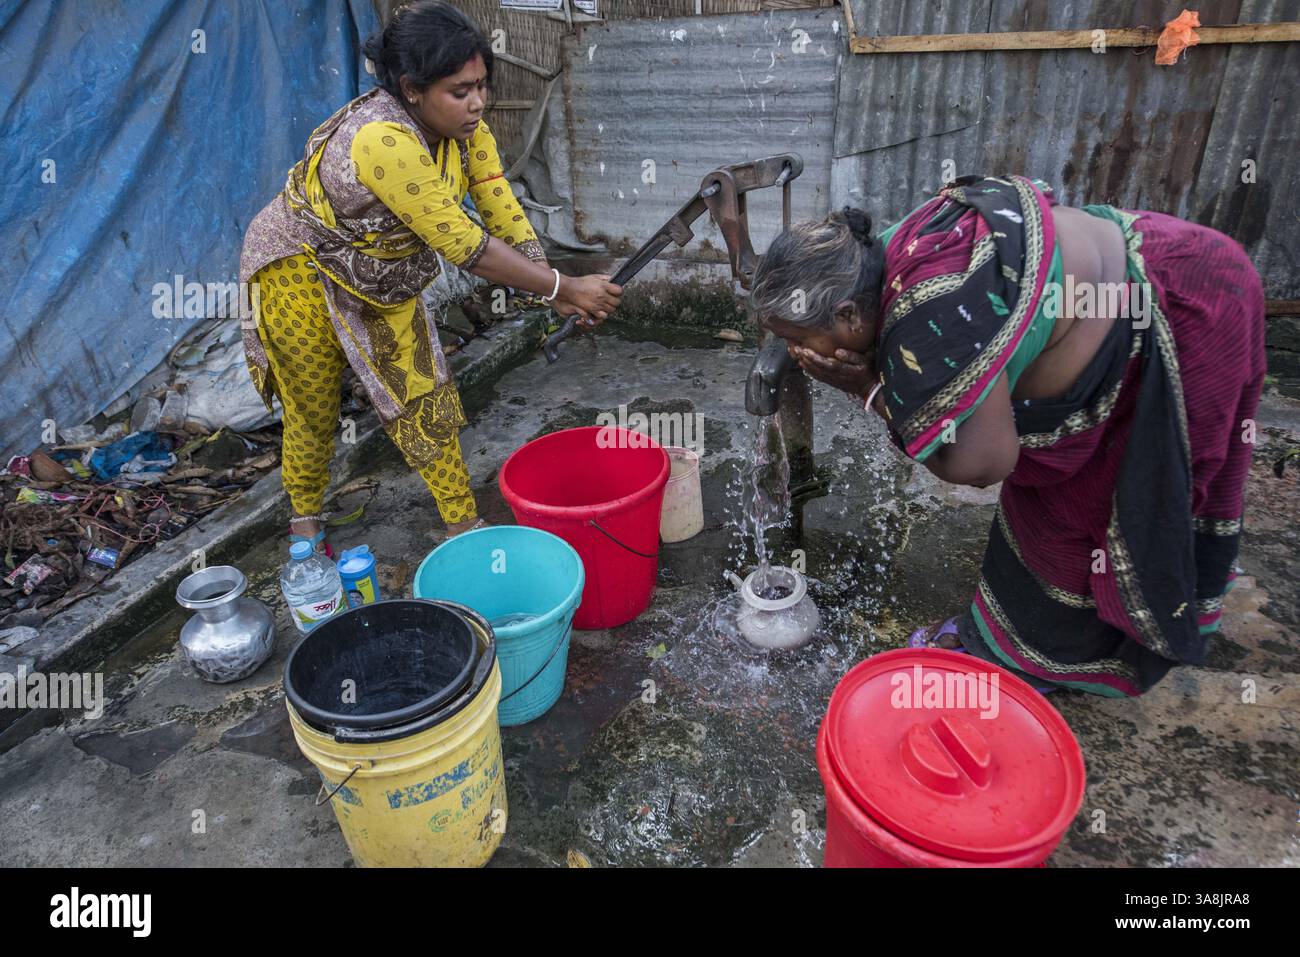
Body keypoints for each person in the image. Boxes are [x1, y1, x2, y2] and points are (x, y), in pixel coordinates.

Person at [746, 174, 1266, 696]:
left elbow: (982, 463)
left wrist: (866, 387)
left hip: (1187, 316)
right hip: (1174, 252)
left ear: (846, 316)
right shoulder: (882, 256)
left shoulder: (925, 326)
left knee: (1116, 501)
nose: (793, 351)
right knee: (1056, 505)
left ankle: (1061, 656)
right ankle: (1031, 630)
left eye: (796, 337)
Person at [239, 0, 621, 555]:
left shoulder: (469, 134)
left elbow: (503, 213)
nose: (477, 103)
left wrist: (554, 290)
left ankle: (462, 525)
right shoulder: (383, 141)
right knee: (313, 406)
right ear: (412, 89)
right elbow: (465, 244)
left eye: (481, 85)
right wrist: (564, 289)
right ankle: (304, 524)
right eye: (459, 90)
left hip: (380, 276)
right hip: (298, 269)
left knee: (425, 394)